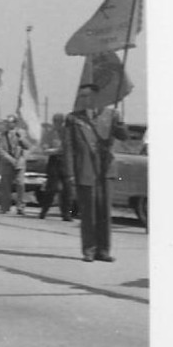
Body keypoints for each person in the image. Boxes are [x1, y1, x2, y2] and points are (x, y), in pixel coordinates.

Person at [60, 86, 130, 262]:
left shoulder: (111, 115)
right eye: (82, 97)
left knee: (105, 211)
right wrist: (69, 173)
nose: (85, 100)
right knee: (89, 212)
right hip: (85, 169)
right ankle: (89, 250)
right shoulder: (74, 119)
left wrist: (120, 124)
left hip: (105, 169)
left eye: (89, 96)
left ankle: (104, 250)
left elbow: (124, 136)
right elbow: (68, 148)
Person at [36, 113, 74, 221]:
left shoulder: (67, 133)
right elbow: (45, 149)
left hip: (65, 162)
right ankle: (44, 211)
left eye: (61, 121)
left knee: (68, 190)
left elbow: (69, 147)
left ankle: (67, 214)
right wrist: (55, 150)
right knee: (51, 189)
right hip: (54, 162)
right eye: (56, 121)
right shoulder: (49, 133)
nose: (59, 124)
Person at [0, 115, 33, 216]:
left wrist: (21, 138)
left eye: (10, 122)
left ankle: (20, 207)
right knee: (5, 185)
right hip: (7, 162)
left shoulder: (21, 133)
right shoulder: (2, 135)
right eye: (6, 122)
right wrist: (10, 159)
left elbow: (28, 146)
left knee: (20, 184)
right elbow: (1, 150)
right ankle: (4, 207)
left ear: (15, 123)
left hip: (19, 162)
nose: (8, 124)